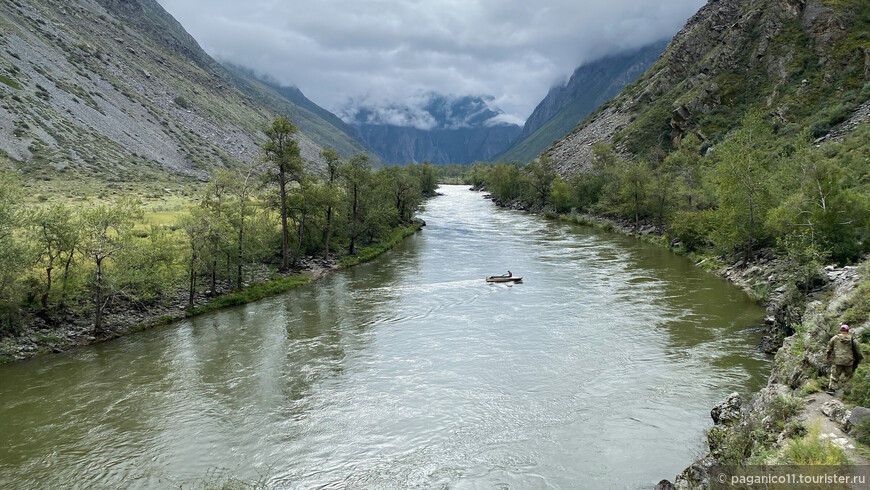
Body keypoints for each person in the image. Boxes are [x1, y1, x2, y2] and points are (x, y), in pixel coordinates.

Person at [826, 324, 863, 394]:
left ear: (840, 330)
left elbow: (829, 347)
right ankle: (846, 391)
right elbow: (858, 351)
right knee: (848, 376)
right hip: (849, 361)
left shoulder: (835, 338)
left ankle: (832, 389)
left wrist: (828, 354)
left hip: (838, 360)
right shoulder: (853, 339)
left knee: (834, 375)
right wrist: (860, 359)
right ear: (848, 331)